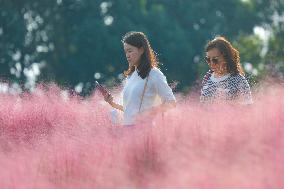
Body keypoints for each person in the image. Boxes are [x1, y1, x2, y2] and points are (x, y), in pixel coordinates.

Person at [104, 31, 176, 126]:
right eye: (125, 52)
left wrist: (150, 112)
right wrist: (112, 104)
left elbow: (171, 102)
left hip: (144, 130)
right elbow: (130, 110)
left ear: (141, 50)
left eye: (130, 51)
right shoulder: (130, 76)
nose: (127, 55)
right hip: (127, 131)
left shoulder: (154, 74)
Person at [200, 36, 253, 105]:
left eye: (215, 60)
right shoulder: (207, 78)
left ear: (225, 58)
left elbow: (248, 108)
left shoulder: (239, 80)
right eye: (208, 60)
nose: (211, 64)